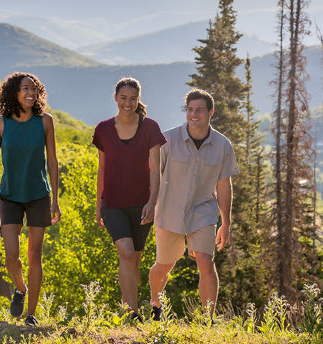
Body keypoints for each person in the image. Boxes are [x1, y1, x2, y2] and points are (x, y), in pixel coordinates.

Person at [149, 89, 237, 321]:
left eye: (199, 110)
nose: (193, 114)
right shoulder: (167, 140)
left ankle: (208, 320)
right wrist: (149, 206)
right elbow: (153, 176)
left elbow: (224, 185)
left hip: (203, 211)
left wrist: (226, 223)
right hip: (169, 210)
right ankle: (156, 305)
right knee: (164, 265)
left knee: (206, 263)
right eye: (190, 109)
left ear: (211, 112)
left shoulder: (222, 145)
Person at [0, 72, 61, 327]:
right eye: (25, 89)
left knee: (35, 255)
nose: (31, 94)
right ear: (14, 93)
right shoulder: (0, 123)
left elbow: (52, 161)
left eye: (34, 89)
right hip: (8, 196)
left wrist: (55, 199)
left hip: (39, 195)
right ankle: (20, 288)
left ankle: (31, 315)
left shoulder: (45, 122)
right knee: (10, 256)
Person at [92, 77, 167, 321]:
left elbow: (156, 170)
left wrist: (152, 204)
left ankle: (131, 309)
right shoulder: (103, 129)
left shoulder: (150, 128)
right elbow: (101, 169)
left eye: (133, 99)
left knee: (134, 259)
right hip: (112, 204)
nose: (128, 103)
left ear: (138, 99)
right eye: (123, 98)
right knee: (125, 253)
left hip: (141, 204)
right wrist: (98, 206)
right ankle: (130, 312)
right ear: (115, 98)